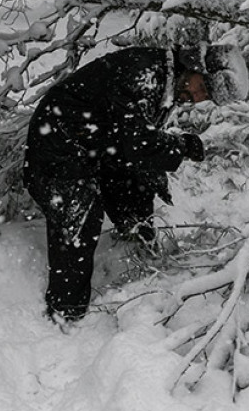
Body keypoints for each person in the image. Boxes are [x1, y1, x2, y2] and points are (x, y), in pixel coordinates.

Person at [23, 46, 207, 323]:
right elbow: (138, 143)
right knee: (80, 219)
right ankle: (65, 313)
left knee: (136, 181)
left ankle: (137, 244)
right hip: (57, 147)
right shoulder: (144, 74)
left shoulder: (166, 78)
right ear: (191, 67)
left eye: (206, 95)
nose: (198, 97)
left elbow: (135, 143)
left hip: (93, 145)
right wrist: (181, 145)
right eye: (201, 86)